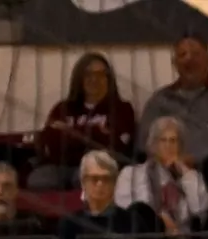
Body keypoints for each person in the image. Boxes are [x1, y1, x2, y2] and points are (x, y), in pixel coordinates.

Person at [137, 34, 208, 179]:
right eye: (182, 55)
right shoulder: (159, 100)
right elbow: (144, 143)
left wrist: (194, 159)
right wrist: (173, 160)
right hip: (170, 172)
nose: (189, 59)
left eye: (196, 54)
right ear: (174, 63)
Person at [31, 53, 136, 191]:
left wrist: (70, 132)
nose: (94, 79)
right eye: (88, 74)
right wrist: (94, 133)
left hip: (98, 167)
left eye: (100, 74)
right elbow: (51, 144)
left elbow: (116, 146)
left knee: (86, 178)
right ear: (79, 79)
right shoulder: (62, 108)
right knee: (38, 180)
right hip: (60, 166)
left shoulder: (122, 109)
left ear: (109, 79)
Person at [116, 116, 208, 238]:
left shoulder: (189, 177)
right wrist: (162, 220)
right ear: (153, 145)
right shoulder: (132, 174)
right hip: (145, 238)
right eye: (163, 140)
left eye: (173, 141)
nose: (168, 146)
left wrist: (184, 169)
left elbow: (200, 208)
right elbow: (129, 211)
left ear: (180, 146)